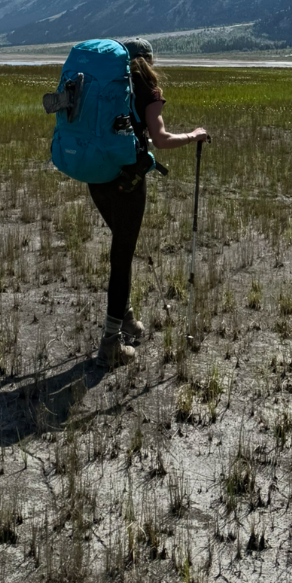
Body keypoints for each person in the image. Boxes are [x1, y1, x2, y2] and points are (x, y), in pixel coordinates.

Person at [91, 38, 209, 367]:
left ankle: (125, 316)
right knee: (122, 255)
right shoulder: (147, 89)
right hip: (127, 181)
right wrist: (194, 135)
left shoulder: (103, 85)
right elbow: (161, 139)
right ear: (149, 60)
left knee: (121, 248)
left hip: (96, 176)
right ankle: (111, 342)